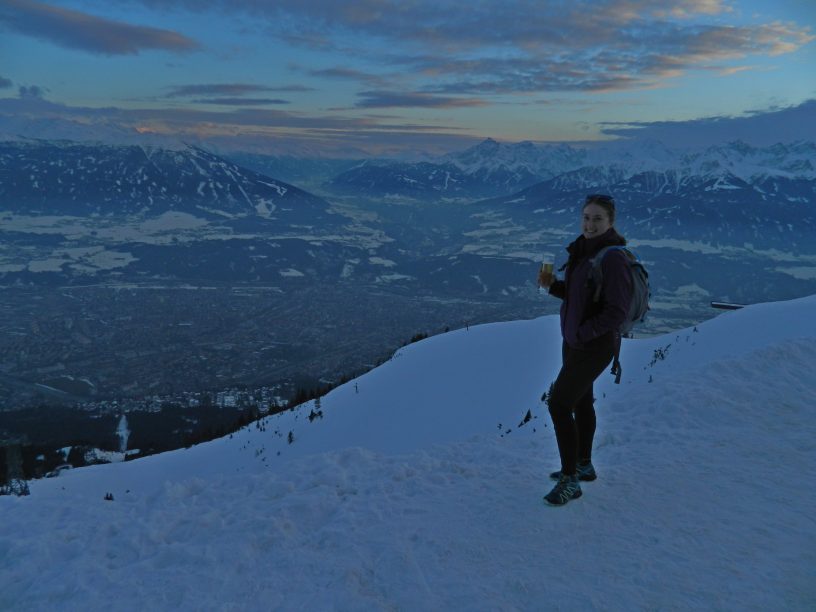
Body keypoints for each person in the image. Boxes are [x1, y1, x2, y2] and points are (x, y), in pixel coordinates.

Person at [537, 194, 633, 506]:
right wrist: (554, 286)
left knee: (559, 404)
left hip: (593, 346)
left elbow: (616, 311)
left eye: (597, 219)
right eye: (586, 217)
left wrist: (583, 333)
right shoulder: (583, 251)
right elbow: (582, 300)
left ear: (610, 223)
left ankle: (570, 481)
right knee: (581, 403)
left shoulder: (613, 258)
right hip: (576, 342)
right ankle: (583, 465)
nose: (590, 224)